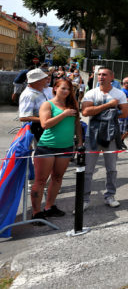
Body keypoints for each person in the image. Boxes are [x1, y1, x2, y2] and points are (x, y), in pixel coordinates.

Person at [30, 79, 83, 220]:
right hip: (47, 147)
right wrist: (64, 114)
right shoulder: (48, 104)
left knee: (57, 178)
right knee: (40, 181)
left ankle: (49, 207)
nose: (66, 91)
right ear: (55, 88)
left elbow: (77, 124)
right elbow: (45, 124)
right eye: (63, 88)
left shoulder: (73, 105)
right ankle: (36, 213)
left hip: (66, 147)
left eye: (68, 89)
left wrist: (80, 143)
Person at [81, 67, 128, 209]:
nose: (101, 77)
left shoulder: (119, 94)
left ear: (111, 77)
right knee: (88, 169)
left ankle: (110, 196)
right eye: (99, 74)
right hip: (93, 135)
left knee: (112, 169)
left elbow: (125, 113)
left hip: (111, 134)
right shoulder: (91, 93)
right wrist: (109, 107)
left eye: (104, 75)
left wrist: (99, 112)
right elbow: (85, 111)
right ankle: (84, 199)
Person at [18, 69, 51, 141]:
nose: (47, 80)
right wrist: (47, 121)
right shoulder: (29, 95)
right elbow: (24, 117)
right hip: (36, 130)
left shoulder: (40, 90)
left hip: (42, 129)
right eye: (45, 78)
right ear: (38, 81)